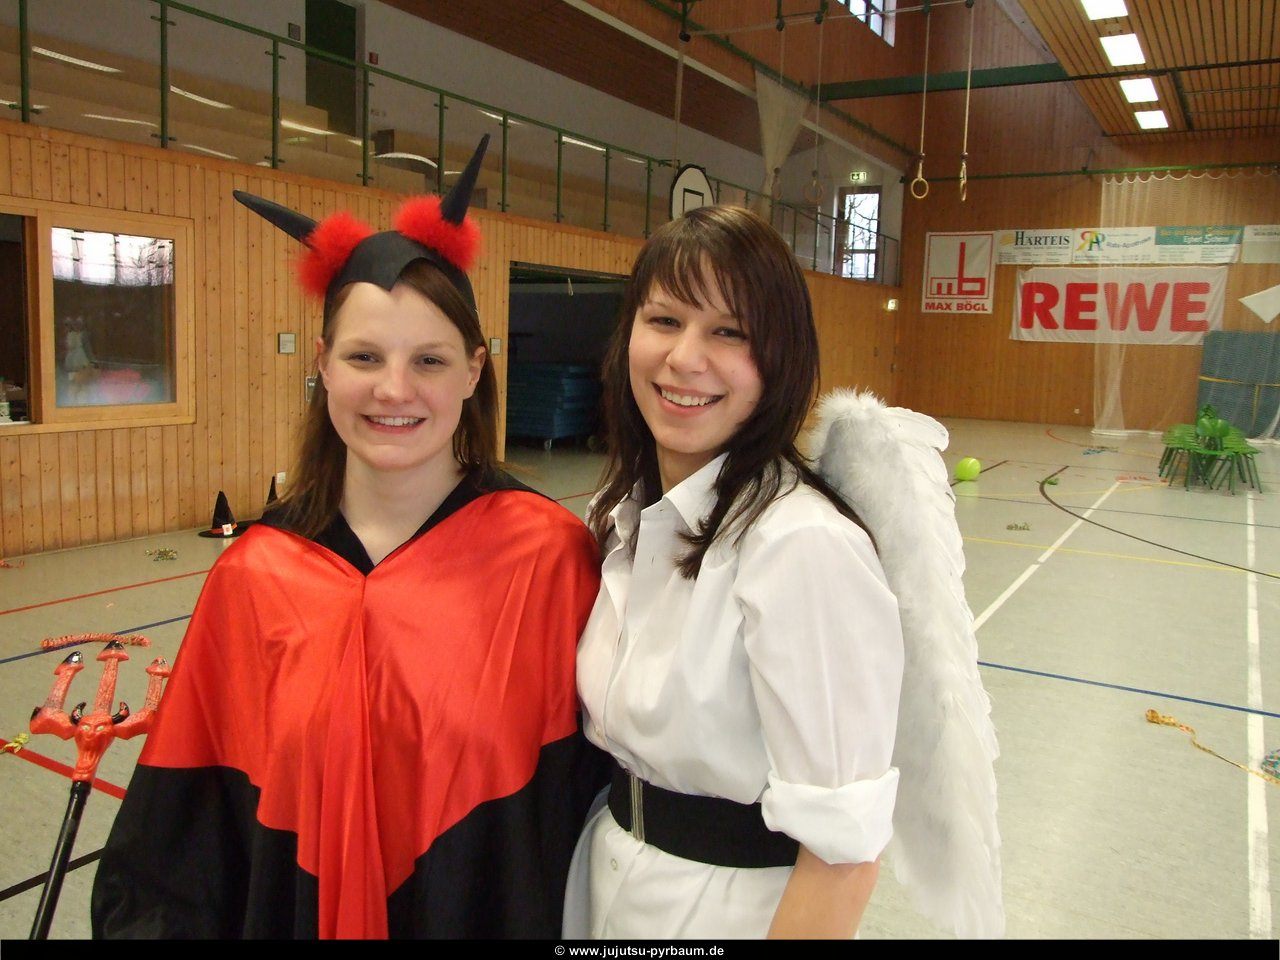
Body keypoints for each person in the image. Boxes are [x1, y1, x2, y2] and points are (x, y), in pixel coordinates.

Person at [92, 136, 607, 939]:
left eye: (429, 360)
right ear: (324, 365)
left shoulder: (547, 558)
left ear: (474, 371)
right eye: (365, 356)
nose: (394, 390)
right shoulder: (255, 575)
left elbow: (586, 808)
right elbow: (186, 838)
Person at [566, 204, 905, 939]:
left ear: (780, 359)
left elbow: (843, 853)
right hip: (608, 881)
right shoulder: (624, 513)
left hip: (724, 912)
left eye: (729, 332)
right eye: (664, 321)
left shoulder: (801, 545)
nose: (685, 358)